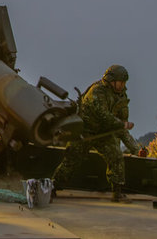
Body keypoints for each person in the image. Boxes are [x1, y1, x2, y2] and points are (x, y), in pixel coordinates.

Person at [52, 64, 147, 203]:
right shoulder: (97, 92)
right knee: (71, 160)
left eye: (124, 83)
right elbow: (104, 116)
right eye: (121, 82)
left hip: (104, 134)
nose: (122, 85)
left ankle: (117, 192)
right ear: (111, 80)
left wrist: (136, 149)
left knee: (116, 156)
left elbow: (121, 127)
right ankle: (53, 187)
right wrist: (121, 124)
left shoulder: (121, 96)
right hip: (84, 132)